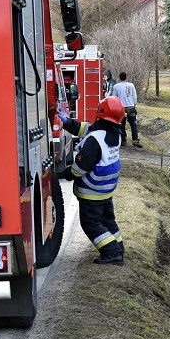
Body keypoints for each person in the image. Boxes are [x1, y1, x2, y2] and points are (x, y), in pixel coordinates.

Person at [57, 96, 125, 265]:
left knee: (90, 224)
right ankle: (118, 246)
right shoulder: (114, 133)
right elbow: (86, 128)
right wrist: (67, 122)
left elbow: (81, 166)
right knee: (107, 220)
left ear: (100, 113)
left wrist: (67, 174)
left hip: (91, 192)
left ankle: (112, 253)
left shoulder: (94, 140)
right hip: (105, 190)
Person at [110, 71, 142, 148]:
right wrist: (134, 104)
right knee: (133, 124)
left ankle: (123, 140)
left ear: (119, 78)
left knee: (122, 124)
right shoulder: (131, 85)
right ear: (126, 77)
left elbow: (114, 97)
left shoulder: (116, 86)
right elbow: (135, 96)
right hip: (131, 107)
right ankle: (135, 140)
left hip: (121, 108)